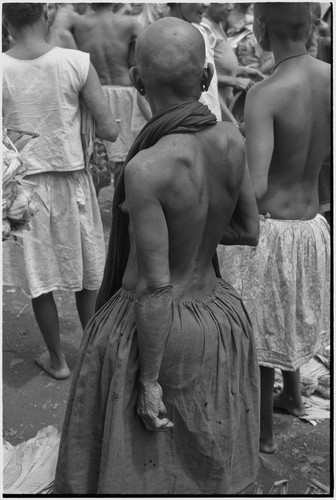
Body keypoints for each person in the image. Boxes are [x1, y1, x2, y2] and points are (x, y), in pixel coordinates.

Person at [53, 17, 260, 495]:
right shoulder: (232, 141)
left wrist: (148, 381)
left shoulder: (146, 167)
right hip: (219, 321)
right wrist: (199, 234)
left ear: (137, 79)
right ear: (208, 80)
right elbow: (249, 230)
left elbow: (154, 285)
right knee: (205, 455)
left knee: (138, 465)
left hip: (153, 332)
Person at [217, 2, 330, 454]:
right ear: (307, 28)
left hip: (274, 230)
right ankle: (295, 395)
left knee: (261, 326)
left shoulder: (267, 93)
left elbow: (257, 185)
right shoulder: (330, 77)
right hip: (311, 226)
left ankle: (262, 432)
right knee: (290, 314)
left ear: (261, 28)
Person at [2, 3, 118, 380]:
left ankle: (58, 360)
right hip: (73, 184)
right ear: (47, 16)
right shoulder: (76, 62)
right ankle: (94, 354)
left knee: (40, 279)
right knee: (86, 272)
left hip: (23, 189)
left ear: (6, 21)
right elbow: (109, 131)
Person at [56, 3, 149, 186]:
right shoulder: (129, 23)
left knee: (95, 158)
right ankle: (123, 206)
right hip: (125, 91)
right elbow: (150, 44)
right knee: (127, 159)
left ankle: (95, 207)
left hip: (95, 92)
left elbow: (55, 32)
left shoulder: (79, 23)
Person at [203, 3, 264, 122]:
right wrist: (234, 81)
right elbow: (202, 75)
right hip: (215, 105)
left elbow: (219, 65)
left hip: (226, 103)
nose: (230, 7)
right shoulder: (204, 28)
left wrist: (243, 71)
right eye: (224, 3)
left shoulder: (218, 24)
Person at [168, 3, 222, 121]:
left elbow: (211, 90)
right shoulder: (160, 36)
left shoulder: (201, 32)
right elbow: (145, 98)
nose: (207, 4)